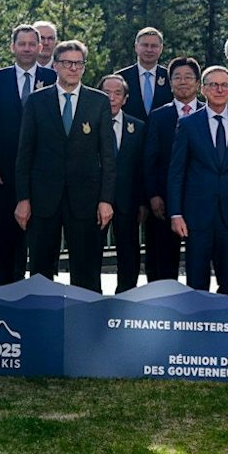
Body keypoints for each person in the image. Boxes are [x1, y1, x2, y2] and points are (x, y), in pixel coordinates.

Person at [16, 39, 116, 291]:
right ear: (56, 66)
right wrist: (23, 198)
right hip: (43, 198)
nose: (73, 68)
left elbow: (107, 156)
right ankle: (40, 321)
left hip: (86, 199)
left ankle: (87, 325)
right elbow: (25, 153)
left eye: (78, 63)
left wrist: (106, 200)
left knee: (86, 270)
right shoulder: (37, 101)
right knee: (40, 269)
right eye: (67, 63)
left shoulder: (99, 102)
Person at [0, 23, 55, 285]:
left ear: (40, 47)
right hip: (4, 172)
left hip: (43, 172)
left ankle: (42, 293)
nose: (28, 49)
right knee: (5, 234)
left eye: (33, 43)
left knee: (43, 237)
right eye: (23, 43)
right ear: (13, 47)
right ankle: (4, 293)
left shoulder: (53, 79)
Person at [168, 66, 228, 293]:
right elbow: (177, 172)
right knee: (197, 283)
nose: (219, 89)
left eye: (224, 85)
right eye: (213, 84)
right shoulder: (189, 124)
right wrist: (176, 213)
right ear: (203, 89)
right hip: (196, 216)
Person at [142, 56, 204, 284]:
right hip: (165, 199)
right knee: (163, 262)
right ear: (170, 83)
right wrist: (153, 195)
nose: (183, 82)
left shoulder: (209, 114)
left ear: (198, 83)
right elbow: (150, 160)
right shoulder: (158, 116)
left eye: (188, 77)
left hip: (201, 199)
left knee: (199, 262)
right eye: (177, 77)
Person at [102, 75, 150, 293]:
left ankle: (126, 297)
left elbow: (142, 168)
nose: (111, 98)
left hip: (128, 202)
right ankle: (91, 299)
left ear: (125, 98)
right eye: (106, 93)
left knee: (129, 253)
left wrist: (142, 202)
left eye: (117, 93)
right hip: (95, 201)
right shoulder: (88, 124)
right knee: (90, 253)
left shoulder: (137, 127)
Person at [118, 27, 170, 116]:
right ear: (136, 47)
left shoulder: (170, 77)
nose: (149, 50)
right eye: (145, 45)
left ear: (161, 49)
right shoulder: (121, 78)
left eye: (154, 46)